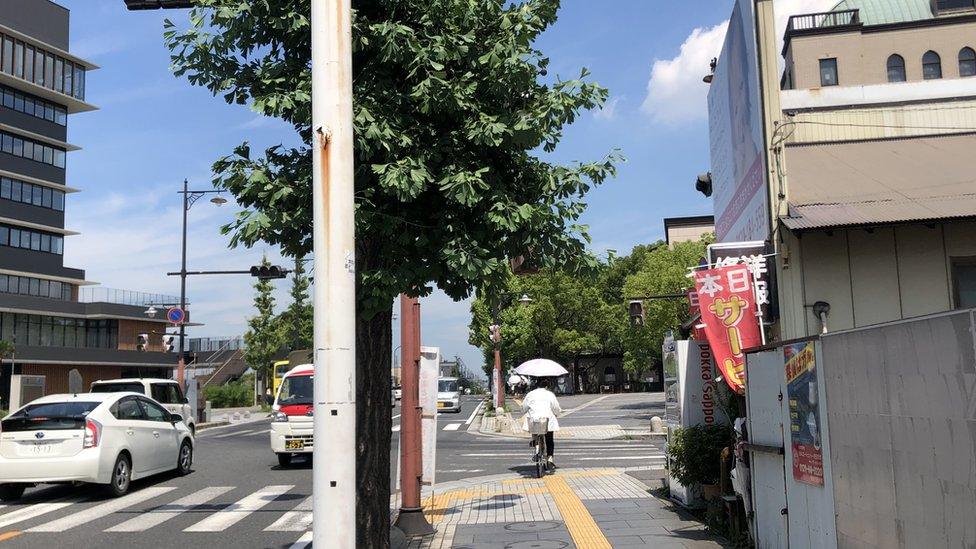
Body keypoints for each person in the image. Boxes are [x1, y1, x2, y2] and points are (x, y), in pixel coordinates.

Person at [521, 377, 562, 468]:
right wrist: (557, 413)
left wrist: (525, 410)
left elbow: (523, 408)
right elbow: (556, 408)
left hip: (534, 421)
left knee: (535, 431)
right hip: (546, 420)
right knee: (549, 438)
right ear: (546, 386)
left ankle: (535, 444)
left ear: (537, 384)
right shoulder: (550, 394)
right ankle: (550, 458)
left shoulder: (530, 394)